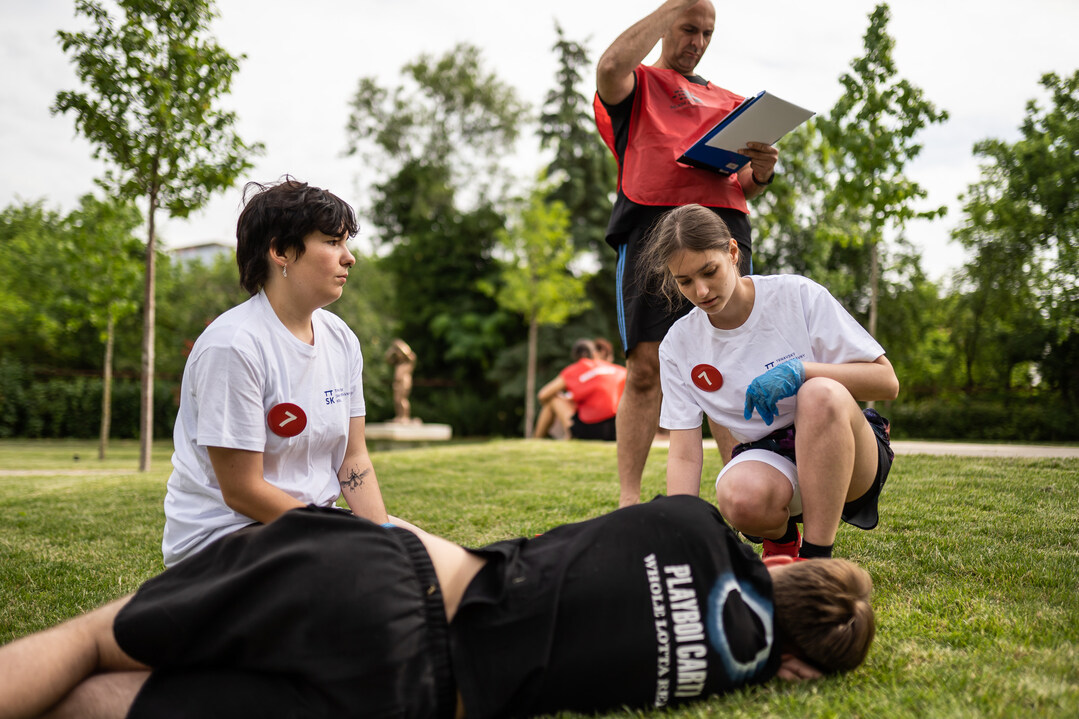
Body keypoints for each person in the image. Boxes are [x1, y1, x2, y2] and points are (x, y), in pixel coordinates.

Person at [0, 495, 876, 719]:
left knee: (90, 640)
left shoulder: (694, 524)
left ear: (779, 566)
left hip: (401, 569)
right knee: (124, 704)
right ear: (795, 666)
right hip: (417, 695)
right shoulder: (738, 674)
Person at [594, 0, 780, 509]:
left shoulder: (733, 102)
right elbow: (610, 68)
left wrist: (760, 171)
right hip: (651, 227)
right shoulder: (639, 86)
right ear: (665, 24)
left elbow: (740, 182)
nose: (697, 42)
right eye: (688, 28)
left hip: (722, 229)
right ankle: (629, 502)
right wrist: (671, 5)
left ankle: (743, 494)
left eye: (707, 33)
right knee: (646, 366)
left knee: (728, 362)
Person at [639, 204, 900, 560]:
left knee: (818, 393)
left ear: (732, 252)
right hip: (771, 458)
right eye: (685, 281)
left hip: (850, 457)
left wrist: (802, 371)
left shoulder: (796, 296)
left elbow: (886, 382)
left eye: (709, 271)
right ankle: (781, 541)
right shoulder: (678, 345)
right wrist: (679, 532)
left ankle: (816, 560)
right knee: (738, 496)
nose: (700, 291)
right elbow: (684, 452)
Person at [161, 177, 388, 567]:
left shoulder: (341, 339)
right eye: (333, 242)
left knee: (421, 556)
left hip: (311, 525)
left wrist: (383, 537)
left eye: (345, 243)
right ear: (281, 251)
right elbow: (243, 491)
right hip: (226, 537)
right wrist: (344, 539)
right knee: (371, 576)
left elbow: (353, 458)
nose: (348, 257)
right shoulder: (234, 344)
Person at [534, 339, 626, 441]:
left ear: (575, 358)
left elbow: (543, 395)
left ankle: (536, 440)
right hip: (617, 428)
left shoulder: (575, 369)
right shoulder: (619, 370)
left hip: (589, 430)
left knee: (553, 399)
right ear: (595, 354)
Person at [385, 337, 419, 423]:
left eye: (400, 352)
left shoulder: (408, 363)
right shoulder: (398, 364)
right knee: (396, 399)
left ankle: (405, 416)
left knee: (402, 399)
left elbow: (412, 356)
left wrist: (400, 345)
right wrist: (392, 349)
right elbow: (388, 359)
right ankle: (399, 416)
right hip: (397, 382)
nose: (398, 354)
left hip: (405, 381)